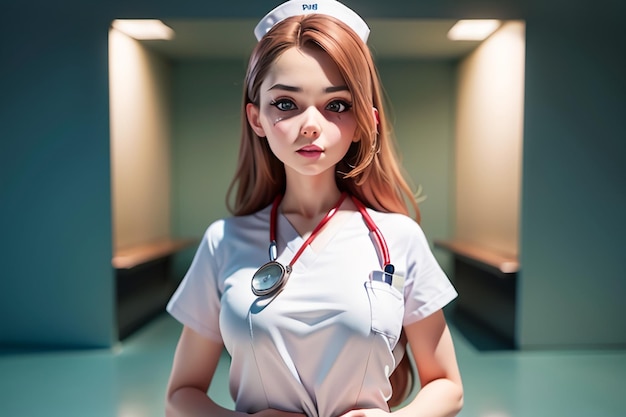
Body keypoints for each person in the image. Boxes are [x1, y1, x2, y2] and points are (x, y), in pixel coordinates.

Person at [165, 1, 463, 416]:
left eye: (336, 105)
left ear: (365, 121)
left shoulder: (400, 239)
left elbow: (447, 385)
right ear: (256, 118)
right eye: (286, 103)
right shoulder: (223, 243)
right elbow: (181, 396)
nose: (310, 124)